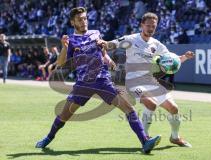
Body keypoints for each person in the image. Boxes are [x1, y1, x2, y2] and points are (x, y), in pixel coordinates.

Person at [35, 7, 160, 154]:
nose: (83, 22)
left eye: (85, 18)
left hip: (103, 81)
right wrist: (64, 47)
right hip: (83, 84)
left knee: (129, 109)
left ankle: (145, 142)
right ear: (73, 22)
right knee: (64, 116)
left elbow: (103, 53)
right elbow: (61, 63)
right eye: (79, 19)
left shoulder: (96, 33)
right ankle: (48, 138)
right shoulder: (71, 40)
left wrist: (109, 60)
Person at [97, 12, 194, 147]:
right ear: (142, 25)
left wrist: (184, 57)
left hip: (150, 81)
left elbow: (171, 61)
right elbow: (111, 45)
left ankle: (175, 137)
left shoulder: (157, 44)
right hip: (132, 81)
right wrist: (103, 43)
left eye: (153, 26)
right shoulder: (131, 39)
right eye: (148, 25)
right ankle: (146, 138)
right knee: (151, 103)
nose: (150, 28)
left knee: (174, 108)